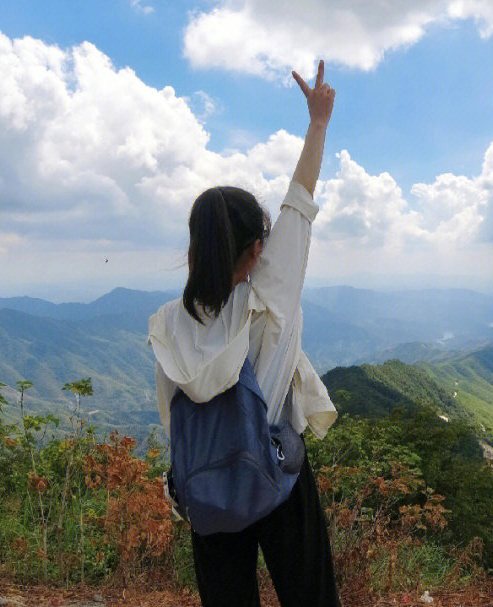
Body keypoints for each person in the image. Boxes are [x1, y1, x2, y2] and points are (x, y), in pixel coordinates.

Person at [146, 60, 340, 607]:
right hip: (275, 478)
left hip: (207, 492)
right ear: (256, 252)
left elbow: (171, 416)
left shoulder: (170, 324)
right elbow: (298, 203)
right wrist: (318, 122)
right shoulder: (265, 298)